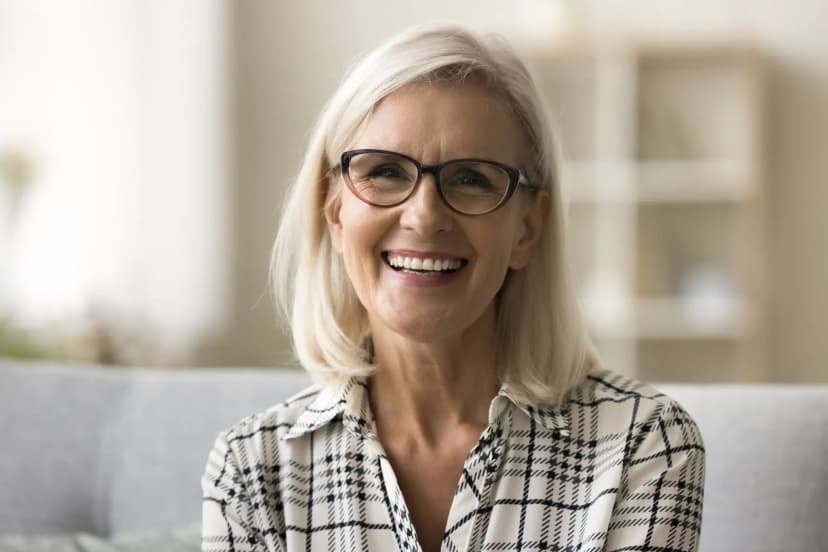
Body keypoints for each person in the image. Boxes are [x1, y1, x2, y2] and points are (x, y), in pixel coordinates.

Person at [201, 22, 705, 552]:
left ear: (527, 229)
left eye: (470, 178)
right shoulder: (253, 468)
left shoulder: (645, 445)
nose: (423, 216)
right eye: (386, 172)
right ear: (334, 210)